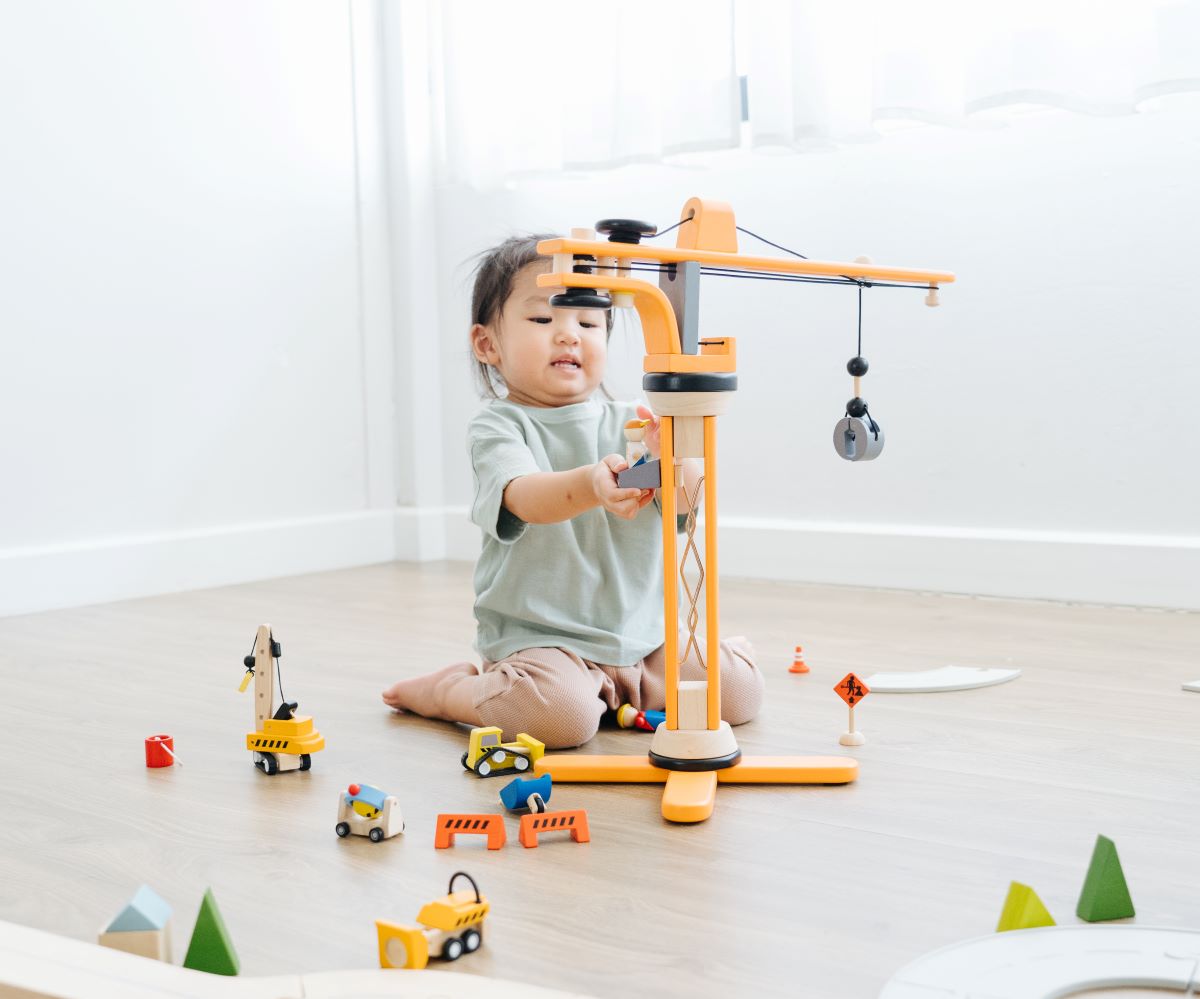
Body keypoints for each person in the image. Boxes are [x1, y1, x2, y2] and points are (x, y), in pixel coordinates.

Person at [381, 234, 763, 748]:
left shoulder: (638, 421)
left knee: (738, 695)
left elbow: (688, 504)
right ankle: (452, 691)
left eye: (588, 323)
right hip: (545, 650)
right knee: (558, 721)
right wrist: (590, 484)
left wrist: (679, 459)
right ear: (487, 344)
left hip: (644, 643)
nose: (568, 336)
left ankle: (693, 663)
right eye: (543, 320)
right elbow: (525, 496)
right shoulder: (500, 426)